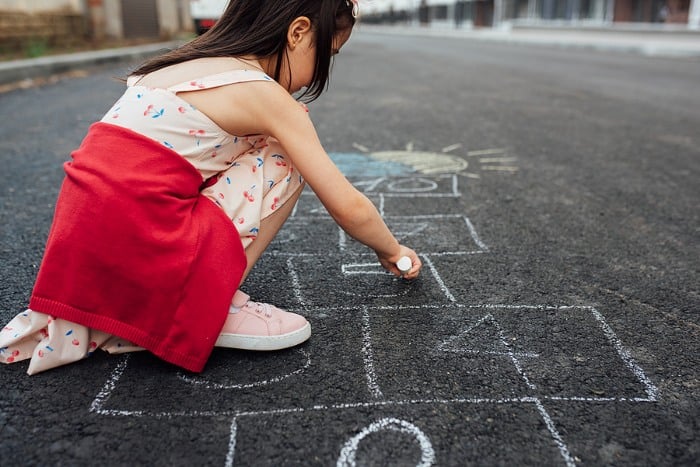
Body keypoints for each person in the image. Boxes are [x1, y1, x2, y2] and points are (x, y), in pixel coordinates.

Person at [0, 0, 421, 376]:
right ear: (298, 33)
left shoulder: (171, 67)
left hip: (83, 254)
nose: (322, 70)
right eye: (327, 53)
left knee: (257, 142)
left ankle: (146, 296)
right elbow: (348, 207)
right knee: (286, 156)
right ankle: (209, 305)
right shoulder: (265, 95)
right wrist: (393, 251)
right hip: (141, 243)